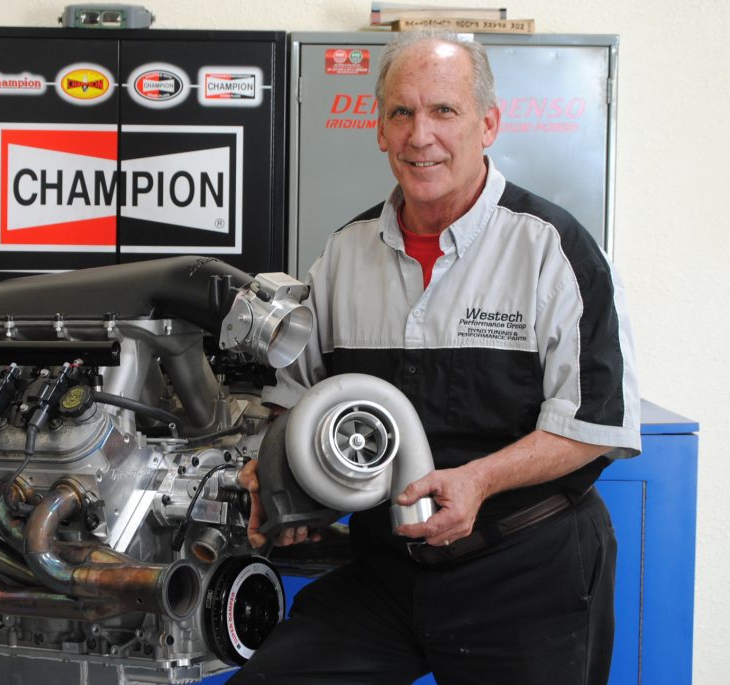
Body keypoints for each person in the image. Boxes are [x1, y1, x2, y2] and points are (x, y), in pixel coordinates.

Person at [231, 29, 640, 685]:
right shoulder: (343, 254)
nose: (421, 135)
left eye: (444, 111)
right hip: (385, 575)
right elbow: (293, 399)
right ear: (380, 130)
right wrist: (276, 481)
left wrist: (479, 480)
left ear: (488, 124)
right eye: (402, 112)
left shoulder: (552, 249)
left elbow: (593, 424)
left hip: (526, 568)